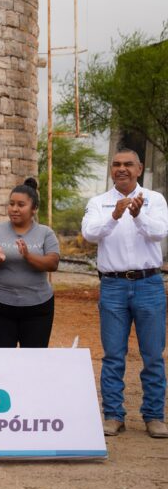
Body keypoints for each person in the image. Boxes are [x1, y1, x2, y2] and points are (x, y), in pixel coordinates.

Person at [82, 148, 168, 439]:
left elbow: (159, 232)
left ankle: (154, 416)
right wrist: (114, 217)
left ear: (139, 168)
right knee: (114, 355)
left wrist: (139, 215)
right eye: (116, 164)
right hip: (113, 286)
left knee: (153, 355)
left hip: (149, 285)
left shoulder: (154, 200)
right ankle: (113, 415)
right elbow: (90, 234)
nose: (122, 169)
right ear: (111, 170)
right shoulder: (98, 202)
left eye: (128, 164)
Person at [0, 178, 59, 348]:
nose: (14, 209)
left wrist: (28, 256)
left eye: (21, 205)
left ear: (34, 209)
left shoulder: (46, 233)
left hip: (37, 307)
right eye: (11, 204)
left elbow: (52, 264)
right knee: (2, 359)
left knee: (33, 361)